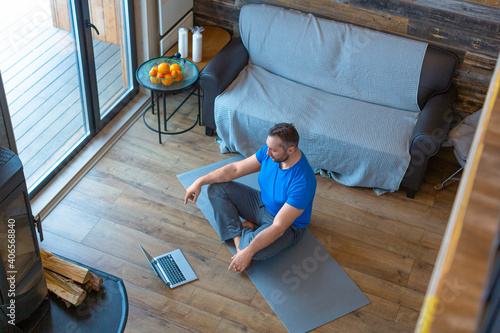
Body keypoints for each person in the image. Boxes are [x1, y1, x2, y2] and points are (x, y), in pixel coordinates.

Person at [184, 123, 317, 272]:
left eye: (273, 150)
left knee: (255, 253)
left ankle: (243, 232)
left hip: (287, 226)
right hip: (260, 203)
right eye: (267, 146)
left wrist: (248, 252)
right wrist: (199, 181)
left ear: (291, 150)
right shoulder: (269, 154)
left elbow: (278, 227)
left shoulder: (304, 182)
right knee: (216, 188)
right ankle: (241, 238)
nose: (267, 153)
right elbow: (234, 169)